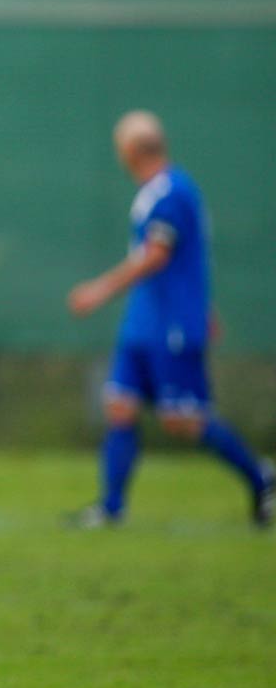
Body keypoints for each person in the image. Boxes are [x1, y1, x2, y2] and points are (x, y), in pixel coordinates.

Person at [66, 111, 271, 528]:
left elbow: (158, 257)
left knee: (185, 419)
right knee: (120, 405)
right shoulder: (154, 192)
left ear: (130, 150)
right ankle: (111, 507)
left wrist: (99, 290)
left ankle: (262, 479)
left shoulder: (173, 192)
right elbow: (186, 262)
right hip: (145, 320)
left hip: (171, 326)